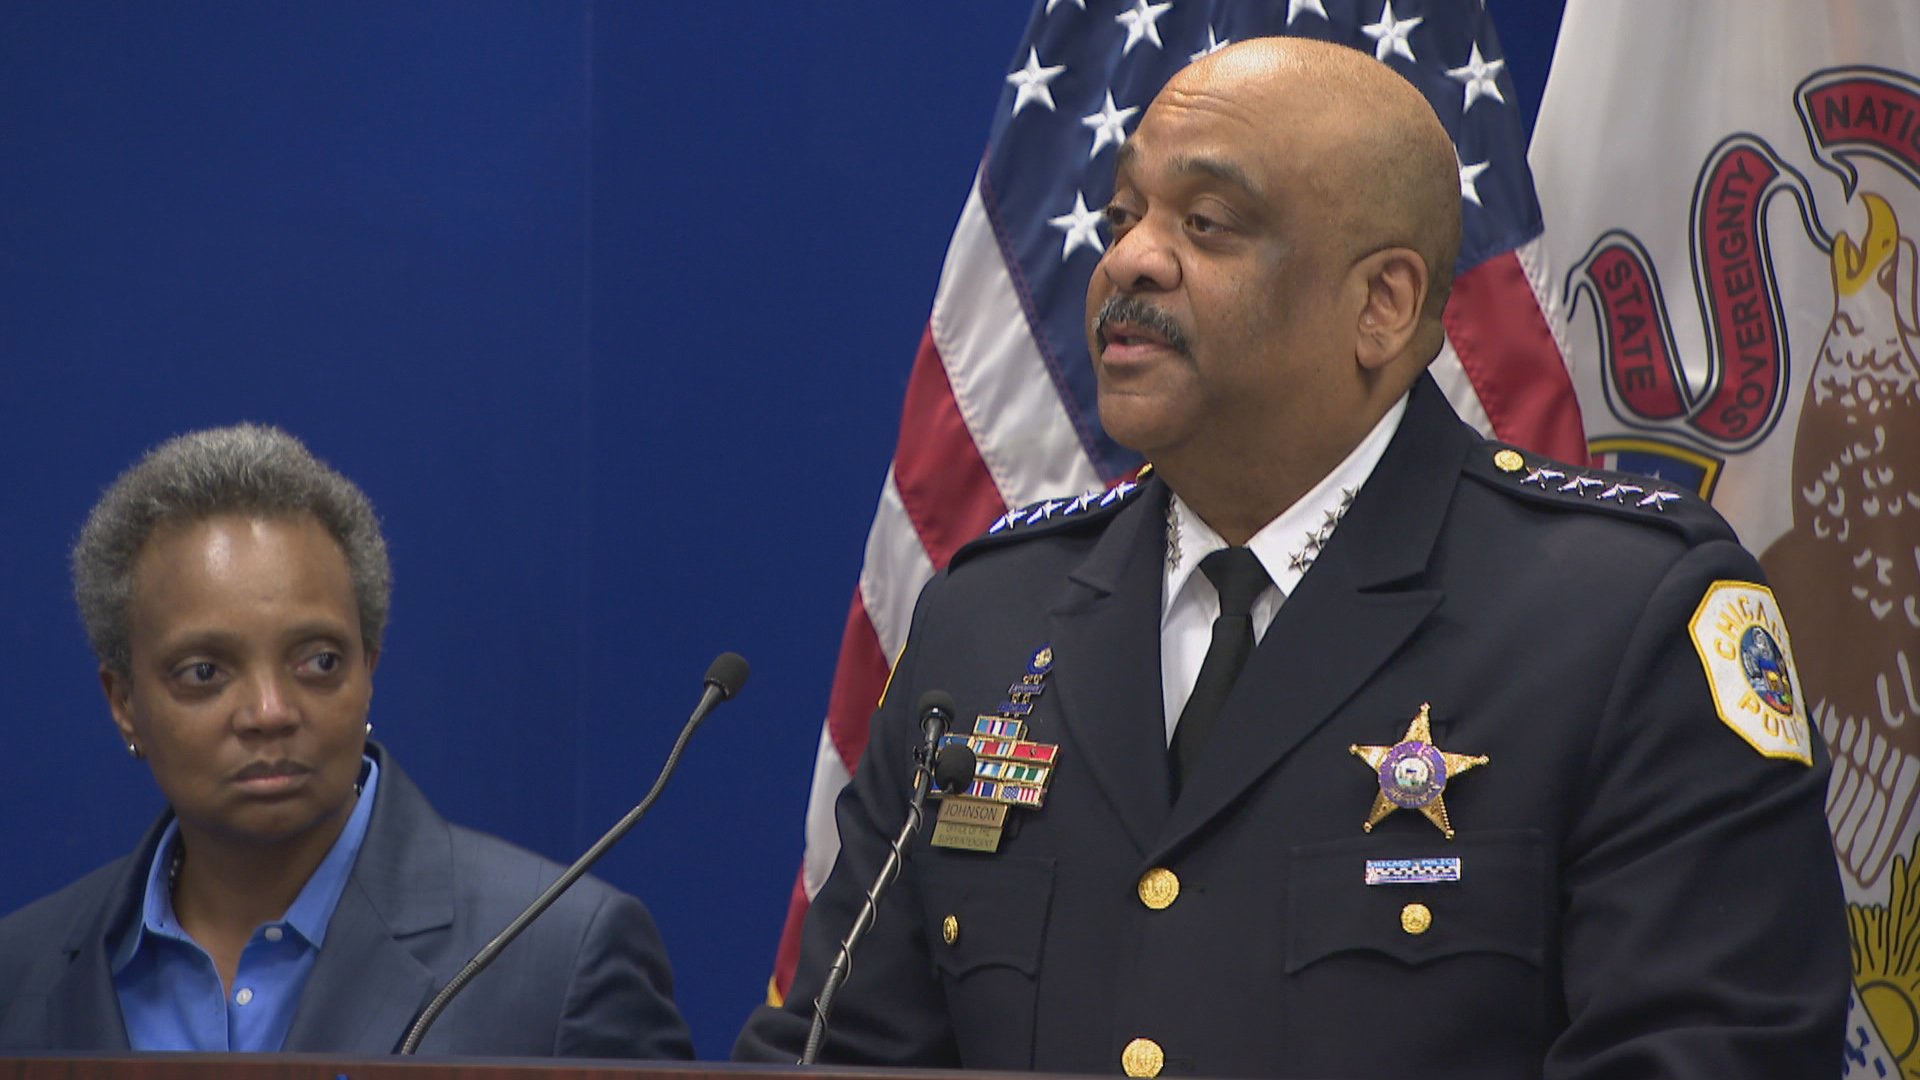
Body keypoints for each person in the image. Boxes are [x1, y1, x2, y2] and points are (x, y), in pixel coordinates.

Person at [734, 37, 1848, 1079]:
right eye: (1122, 214)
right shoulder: (986, 624)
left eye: (1209, 223)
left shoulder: (1624, 621)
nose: (1130, 260)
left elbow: (1703, 1051)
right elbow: (840, 1050)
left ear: (1383, 303)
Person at [0, 424, 693, 1058]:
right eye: (204, 673)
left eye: (318, 662)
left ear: (369, 669)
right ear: (123, 703)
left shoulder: (559, 957)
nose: (269, 711)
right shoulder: (22, 973)